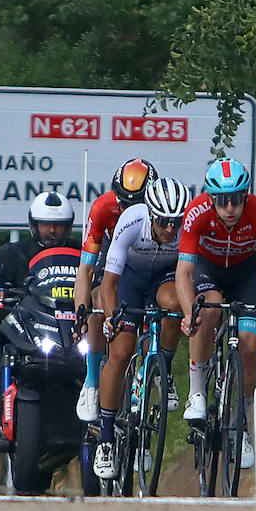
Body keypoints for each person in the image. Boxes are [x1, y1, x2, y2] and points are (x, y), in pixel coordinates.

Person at [175, 157, 256, 471]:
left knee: (250, 345)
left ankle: (242, 421)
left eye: (236, 199)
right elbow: (183, 273)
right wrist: (187, 312)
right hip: (208, 271)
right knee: (208, 308)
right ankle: (196, 392)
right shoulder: (196, 212)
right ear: (211, 199)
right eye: (222, 201)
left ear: (245, 196)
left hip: (244, 273)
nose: (230, 208)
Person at [91, 176, 190, 480]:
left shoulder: (186, 229)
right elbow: (109, 284)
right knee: (121, 352)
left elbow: (189, 276)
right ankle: (106, 440)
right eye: (164, 222)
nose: (171, 229)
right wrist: (111, 318)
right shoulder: (130, 222)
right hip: (130, 279)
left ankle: (165, 370)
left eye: (176, 222)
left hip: (165, 277)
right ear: (150, 214)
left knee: (174, 305)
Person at [0, 191, 79, 442]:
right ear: (34, 225)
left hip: (73, 324)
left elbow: (100, 277)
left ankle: (110, 423)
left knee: (106, 358)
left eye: (58, 225)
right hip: (28, 321)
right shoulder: (14, 253)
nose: (52, 231)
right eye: (46, 225)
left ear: (68, 227)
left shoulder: (83, 253)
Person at [72, 157, 157, 422]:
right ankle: (92, 381)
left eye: (138, 204)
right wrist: (81, 315)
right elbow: (85, 270)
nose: (128, 210)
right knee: (97, 304)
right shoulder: (102, 208)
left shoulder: (162, 211)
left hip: (147, 257)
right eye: (123, 203)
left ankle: (149, 373)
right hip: (112, 255)